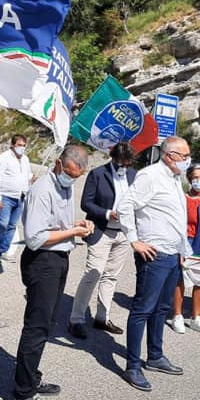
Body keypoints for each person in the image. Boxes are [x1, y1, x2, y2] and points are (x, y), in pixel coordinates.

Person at [8, 145, 94, 400]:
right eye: (69, 173)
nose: (71, 179)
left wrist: (78, 225)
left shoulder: (64, 186)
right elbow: (35, 237)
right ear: (58, 164)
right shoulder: (43, 189)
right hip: (42, 261)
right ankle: (22, 395)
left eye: (76, 176)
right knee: (36, 327)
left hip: (58, 259)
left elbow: (57, 224)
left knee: (46, 324)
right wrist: (73, 232)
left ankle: (31, 377)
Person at [118, 136, 191, 391]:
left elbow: (175, 216)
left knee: (162, 308)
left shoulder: (174, 178)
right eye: (184, 156)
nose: (188, 161)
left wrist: (183, 249)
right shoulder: (150, 175)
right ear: (169, 155)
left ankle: (155, 356)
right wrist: (134, 240)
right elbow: (125, 206)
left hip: (172, 254)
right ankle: (132, 366)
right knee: (142, 309)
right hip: (154, 254)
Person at [67, 142, 136, 339]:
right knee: (92, 274)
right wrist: (107, 213)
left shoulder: (134, 175)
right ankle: (76, 319)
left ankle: (102, 317)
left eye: (127, 163)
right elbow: (86, 202)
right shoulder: (98, 174)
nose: (124, 167)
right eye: (121, 163)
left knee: (111, 276)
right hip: (102, 231)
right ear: (113, 158)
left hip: (123, 233)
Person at [168, 163, 200, 336]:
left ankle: (196, 317)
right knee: (180, 279)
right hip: (185, 241)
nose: (198, 181)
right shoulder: (182, 198)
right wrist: (180, 247)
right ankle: (178, 315)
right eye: (195, 177)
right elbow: (177, 222)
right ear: (189, 179)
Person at [0, 133, 33, 265]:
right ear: (12, 145)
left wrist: (32, 178)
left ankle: (3, 250)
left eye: (24, 146)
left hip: (20, 197)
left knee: (12, 226)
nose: (22, 148)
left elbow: (27, 174)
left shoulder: (25, 159)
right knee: (1, 225)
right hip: (5, 196)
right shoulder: (4, 158)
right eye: (19, 145)